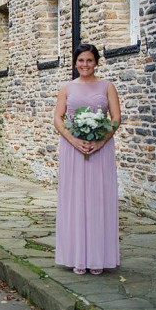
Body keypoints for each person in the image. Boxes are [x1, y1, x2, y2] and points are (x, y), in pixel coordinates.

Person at [52, 44, 121, 275]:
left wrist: (101, 141)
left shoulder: (107, 86)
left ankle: (98, 257)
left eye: (89, 60)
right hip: (73, 150)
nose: (85, 65)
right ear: (75, 63)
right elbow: (58, 119)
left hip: (100, 149)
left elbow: (116, 118)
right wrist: (73, 141)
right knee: (76, 199)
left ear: (96, 62)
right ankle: (77, 256)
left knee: (98, 199)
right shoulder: (67, 88)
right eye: (81, 60)